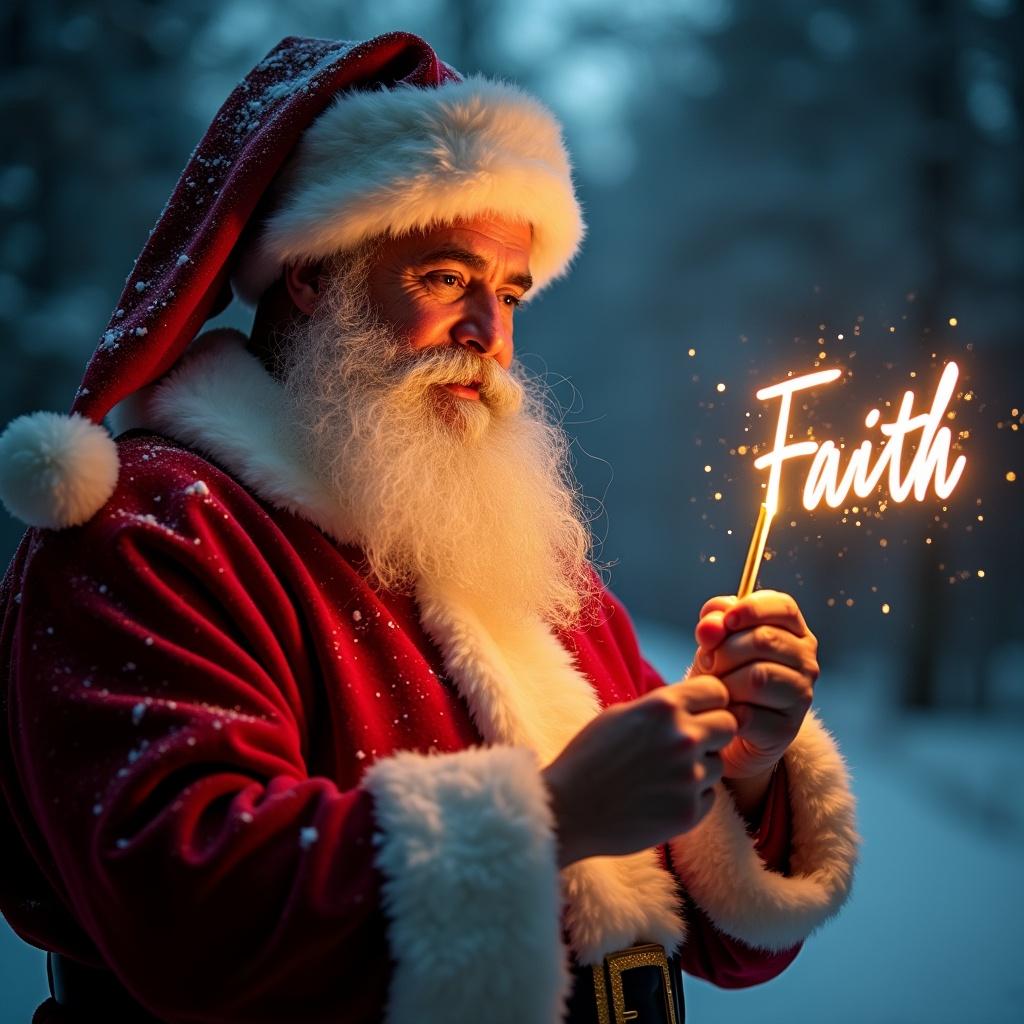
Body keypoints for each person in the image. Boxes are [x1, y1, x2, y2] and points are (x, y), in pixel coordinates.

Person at [0, 32, 858, 1024]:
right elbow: (185, 908)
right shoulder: (155, 532)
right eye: (447, 279)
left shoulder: (514, 553)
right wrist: (548, 816)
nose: (488, 337)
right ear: (313, 273)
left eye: (508, 293)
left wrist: (740, 772)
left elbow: (708, 935)